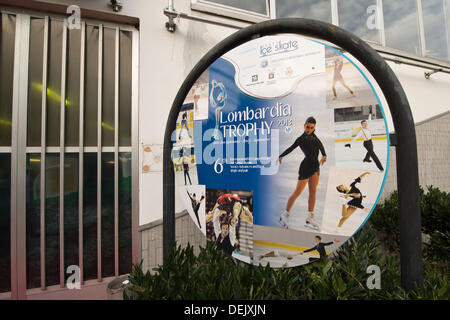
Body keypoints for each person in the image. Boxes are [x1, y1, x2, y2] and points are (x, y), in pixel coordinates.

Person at [278, 117, 327, 230]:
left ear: (314, 128)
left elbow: (321, 146)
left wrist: (324, 155)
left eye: (312, 127)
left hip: (315, 167)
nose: (309, 129)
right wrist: (281, 155)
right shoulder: (300, 139)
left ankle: (310, 217)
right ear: (304, 125)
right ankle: (285, 214)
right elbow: (291, 148)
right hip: (305, 168)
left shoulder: (315, 137)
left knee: (313, 192)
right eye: (307, 127)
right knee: (297, 192)